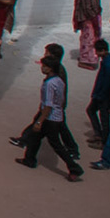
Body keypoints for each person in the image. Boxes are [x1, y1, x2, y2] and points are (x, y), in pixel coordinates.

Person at [16, 52, 84, 180]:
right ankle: (29, 159)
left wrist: (39, 121)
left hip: (49, 118)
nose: (42, 68)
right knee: (34, 138)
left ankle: (74, 167)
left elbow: (48, 105)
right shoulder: (59, 81)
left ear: (50, 68)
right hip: (56, 116)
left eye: (45, 66)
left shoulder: (49, 84)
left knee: (56, 144)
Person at [87, 41, 110, 149]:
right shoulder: (106, 61)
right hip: (100, 93)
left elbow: (107, 82)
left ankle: (104, 141)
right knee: (91, 111)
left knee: (104, 118)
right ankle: (99, 135)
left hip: (104, 95)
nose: (97, 53)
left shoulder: (108, 63)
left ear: (103, 50)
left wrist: (99, 94)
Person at [74, 0, 103, 69]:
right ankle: (85, 60)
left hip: (91, 20)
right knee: (89, 40)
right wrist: (95, 24)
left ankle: (89, 57)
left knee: (90, 39)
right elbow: (88, 10)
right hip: (88, 21)